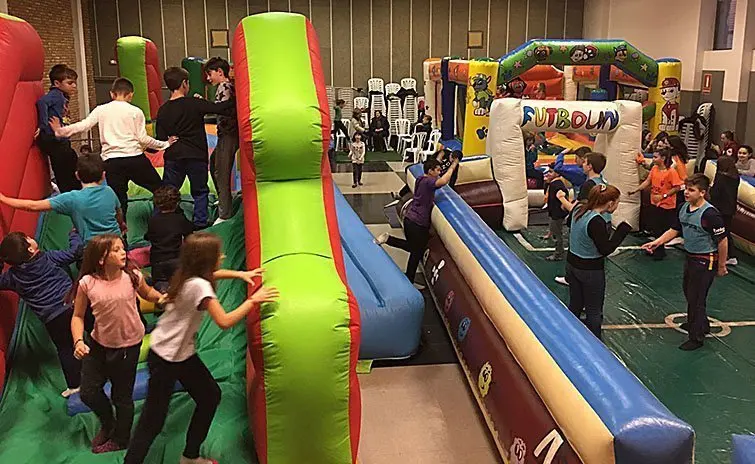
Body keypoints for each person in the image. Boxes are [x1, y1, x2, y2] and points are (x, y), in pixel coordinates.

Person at [124, 233, 279, 464]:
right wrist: (253, 301)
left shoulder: (188, 275)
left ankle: (190, 456)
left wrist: (240, 274)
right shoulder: (199, 286)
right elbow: (224, 321)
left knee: (209, 396)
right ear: (206, 259)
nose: (223, 257)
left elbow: (212, 275)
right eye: (218, 255)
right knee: (153, 420)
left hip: (179, 354)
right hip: (167, 358)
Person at [71, 235, 164, 453]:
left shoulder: (132, 276)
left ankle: (121, 439)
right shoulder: (87, 283)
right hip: (98, 345)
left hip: (127, 348)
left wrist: (162, 298)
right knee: (88, 392)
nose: (124, 253)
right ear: (101, 259)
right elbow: (77, 316)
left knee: (122, 398)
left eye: (123, 248)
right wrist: (77, 341)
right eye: (116, 250)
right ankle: (108, 422)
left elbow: (148, 293)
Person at [49, 78, 173, 219]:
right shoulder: (135, 111)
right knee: (160, 190)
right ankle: (165, 221)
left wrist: (60, 131)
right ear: (130, 94)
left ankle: (121, 234)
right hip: (134, 158)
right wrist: (164, 144)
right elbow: (143, 138)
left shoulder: (101, 110)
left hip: (112, 162)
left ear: (111, 94)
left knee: (119, 200)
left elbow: (83, 125)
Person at [642, 174, 728, 351]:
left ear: (702, 193)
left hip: (705, 260)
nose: (687, 193)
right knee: (689, 293)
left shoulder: (710, 214)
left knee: (696, 297)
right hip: (691, 257)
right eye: (686, 189)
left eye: (691, 190)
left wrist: (721, 265)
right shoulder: (683, 208)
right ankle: (700, 324)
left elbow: (722, 241)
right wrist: (657, 242)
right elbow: (675, 229)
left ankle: (696, 337)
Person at [0, 230, 83, 397]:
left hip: (52, 318)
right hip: (74, 306)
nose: (32, 238)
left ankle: (75, 385)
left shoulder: (13, 277)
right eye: (28, 239)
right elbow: (75, 252)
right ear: (30, 249)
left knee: (65, 348)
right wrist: (74, 236)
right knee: (92, 331)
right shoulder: (48, 258)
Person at [155, 67, 235, 229]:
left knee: (168, 193)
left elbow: (161, 138)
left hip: (174, 155)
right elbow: (220, 108)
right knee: (199, 192)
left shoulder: (163, 110)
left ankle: (161, 223)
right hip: (195, 155)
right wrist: (236, 92)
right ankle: (200, 224)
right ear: (184, 84)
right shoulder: (193, 103)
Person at [559, 185, 632, 339]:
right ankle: (595, 345)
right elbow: (605, 249)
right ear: (610, 203)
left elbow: (569, 225)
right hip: (590, 270)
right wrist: (622, 230)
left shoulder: (578, 209)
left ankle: (568, 336)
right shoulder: (596, 221)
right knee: (593, 309)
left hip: (572, 264)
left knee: (575, 303)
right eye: (617, 203)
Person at [0, 154, 123, 244]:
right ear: (103, 175)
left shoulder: (72, 198)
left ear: (77, 175)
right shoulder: (109, 192)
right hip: (117, 243)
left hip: (94, 250)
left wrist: (4, 199)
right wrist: (122, 224)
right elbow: (118, 213)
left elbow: (33, 206)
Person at [375, 158, 459, 287]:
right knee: (416, 251)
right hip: (417, 222)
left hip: (410, 219)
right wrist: (453, 166)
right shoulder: (429, 182)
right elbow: (443, 181)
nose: (439, 171)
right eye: (437, 170)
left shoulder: (421, 179)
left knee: (414, 249)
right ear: (430, 171)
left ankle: (390, 241)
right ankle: (408, 278)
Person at [629, 149, 684, 259]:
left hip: (666, 205)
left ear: (663, 158)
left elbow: (677, 187)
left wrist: (664, 196)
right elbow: (648, 181)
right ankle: (654, 248)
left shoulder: (671, 172)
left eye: (655, 157)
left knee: (662, 229)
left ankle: (659, 251)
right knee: (655, 227)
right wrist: (636, 190)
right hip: (654, 203)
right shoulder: (654, 169)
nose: (653, 159)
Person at [204, 57, 239, 225]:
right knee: (214, 164)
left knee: (222, 171)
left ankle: (224, 213)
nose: (208, 78)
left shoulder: (225, 86)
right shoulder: (224, 87)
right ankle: (223, 200)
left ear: (220, 72)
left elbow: (221, 108)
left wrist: (203, 106)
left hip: (229, 134)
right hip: (225, 133)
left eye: (210, 74)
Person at [36, 64, 81, 192]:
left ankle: (73, 191)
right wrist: (42, 125)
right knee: (65, 169)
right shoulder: (56, 94)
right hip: (53, 138)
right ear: (57, 83)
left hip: (59, 139)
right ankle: (71, 194)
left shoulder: (62, 96)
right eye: (70, 83)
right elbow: (42, 102)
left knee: (70, 162)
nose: (74, 86)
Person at [144, 185, 194, 291]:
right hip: (175, 258)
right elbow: (189, 234)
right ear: (177, 203)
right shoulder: (179, 219)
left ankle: (162, 294)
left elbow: (148, 236)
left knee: (160, 283)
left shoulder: (153, 220)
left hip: (157, 260)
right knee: (179, 284)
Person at [710, 155, 740, 266]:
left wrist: (710, 189)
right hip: (730, 208)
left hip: (720, 208)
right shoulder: (735, 177)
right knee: (726, 231)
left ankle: (730, 255)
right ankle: (730, 255)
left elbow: (715, 193)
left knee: (721, 232)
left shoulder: (721, 177)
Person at [542, 170, 570, 261]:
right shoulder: (553, 184)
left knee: (557, 234)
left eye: (551, 172)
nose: (548, 174)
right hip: (554, 212)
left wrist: (562, 208)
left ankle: (558, 254)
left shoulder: (557, 185)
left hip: (557, 214)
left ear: (557, 174)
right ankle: (550, 235)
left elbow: (564, 196)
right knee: (554, 229)